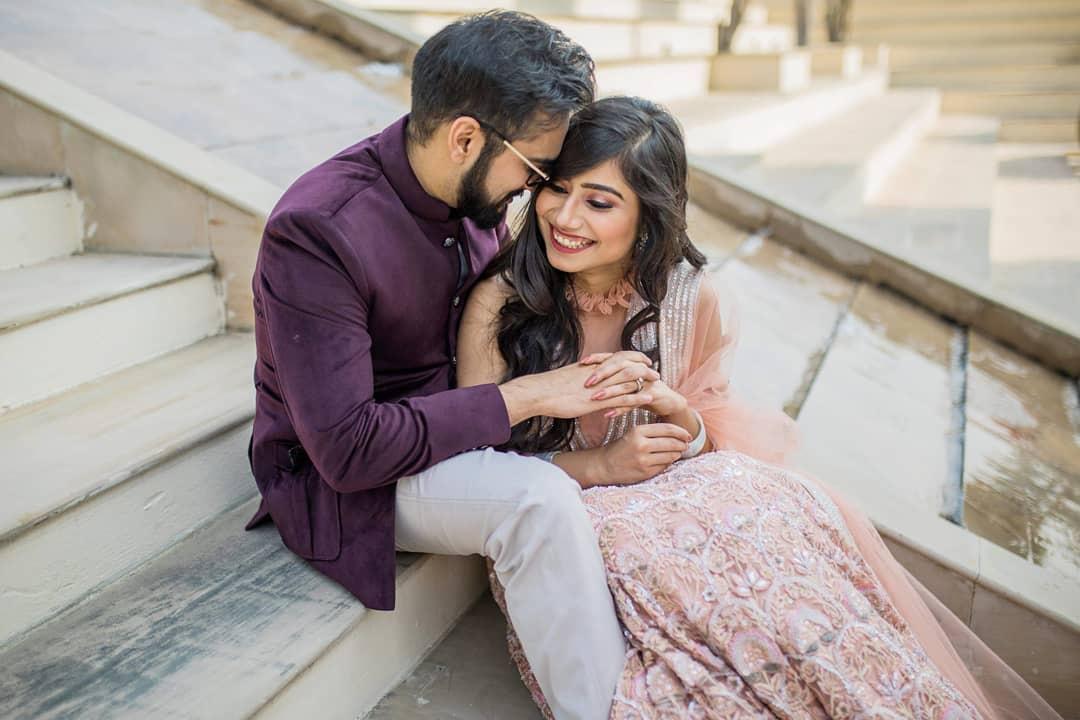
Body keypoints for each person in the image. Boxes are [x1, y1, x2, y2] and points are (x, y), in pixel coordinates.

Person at [459, 96, 1063, 720]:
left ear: (648, 218)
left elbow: (711, 442)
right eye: (556, 189)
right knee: (712, 633)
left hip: (692, 503)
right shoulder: (501, 303)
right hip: (571, 522)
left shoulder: (692, 299)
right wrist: (601, 465)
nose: (565, 216)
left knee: (785, 531)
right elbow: (474, 467)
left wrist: (679, 417)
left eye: (600, 201)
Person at [245, 13, 655, 719]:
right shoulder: (318, 229)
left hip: (457, 434)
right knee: (540, 502)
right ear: (465, 137)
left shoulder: (470, 194)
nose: (534, 193)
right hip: (348, 479)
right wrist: (526, 398)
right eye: (533, 171)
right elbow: (347, 450)